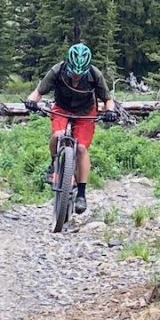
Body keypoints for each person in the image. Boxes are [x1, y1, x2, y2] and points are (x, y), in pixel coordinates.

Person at [25, 43, 118, 214]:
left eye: (79, 74)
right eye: (73, 73)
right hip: (62, 108)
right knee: (58, 135)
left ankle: (81, 194)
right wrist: (31, 101)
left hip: (85, 112)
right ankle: (54, 164)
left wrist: (110, 111)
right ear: (68, 65)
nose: (76, 77)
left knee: (81, 148)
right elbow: (38, 92)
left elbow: (107, 99)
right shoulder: (57, 70)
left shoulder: (94, 74)